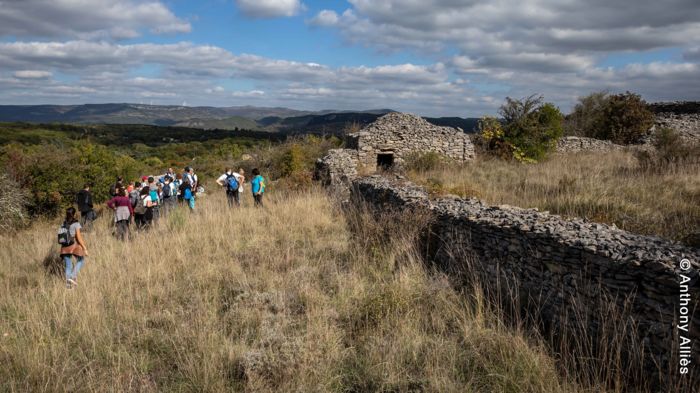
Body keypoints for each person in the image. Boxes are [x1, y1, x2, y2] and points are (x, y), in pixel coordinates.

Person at [59, 207, 88, 289]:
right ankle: (72, 276)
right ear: (74, 214)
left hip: (64, 246)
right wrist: (84, 248)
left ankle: (68, 286)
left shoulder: (63, 223)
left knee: (68, 266)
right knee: (81, 260)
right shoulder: (76, 224)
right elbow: (78, 238)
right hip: (72, 245)